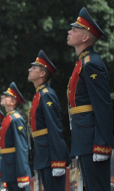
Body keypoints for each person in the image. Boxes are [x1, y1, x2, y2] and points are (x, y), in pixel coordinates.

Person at [66, 7, 114, 191]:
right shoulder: (82, 63)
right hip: (84, 135)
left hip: (92, 137)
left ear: (86, 37)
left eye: (75, 30)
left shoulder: (91, 63)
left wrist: (102, 143)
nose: (69, 32)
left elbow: (102, 105)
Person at [28, 50, 71, 191]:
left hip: (51, 155)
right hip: (43, 153)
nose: (30, 69)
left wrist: (58, 161)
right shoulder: (39, 95)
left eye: (34, 68)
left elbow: (54, 127)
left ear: (42, 74)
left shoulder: (46, 95)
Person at [0, 82, 31, 191]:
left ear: (12, 101)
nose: (3, 97)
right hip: (9, 168)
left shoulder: (15, 119)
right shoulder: (8, 118)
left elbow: (21, 147)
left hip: (16, 169)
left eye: (6, 96)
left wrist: (22, 174)